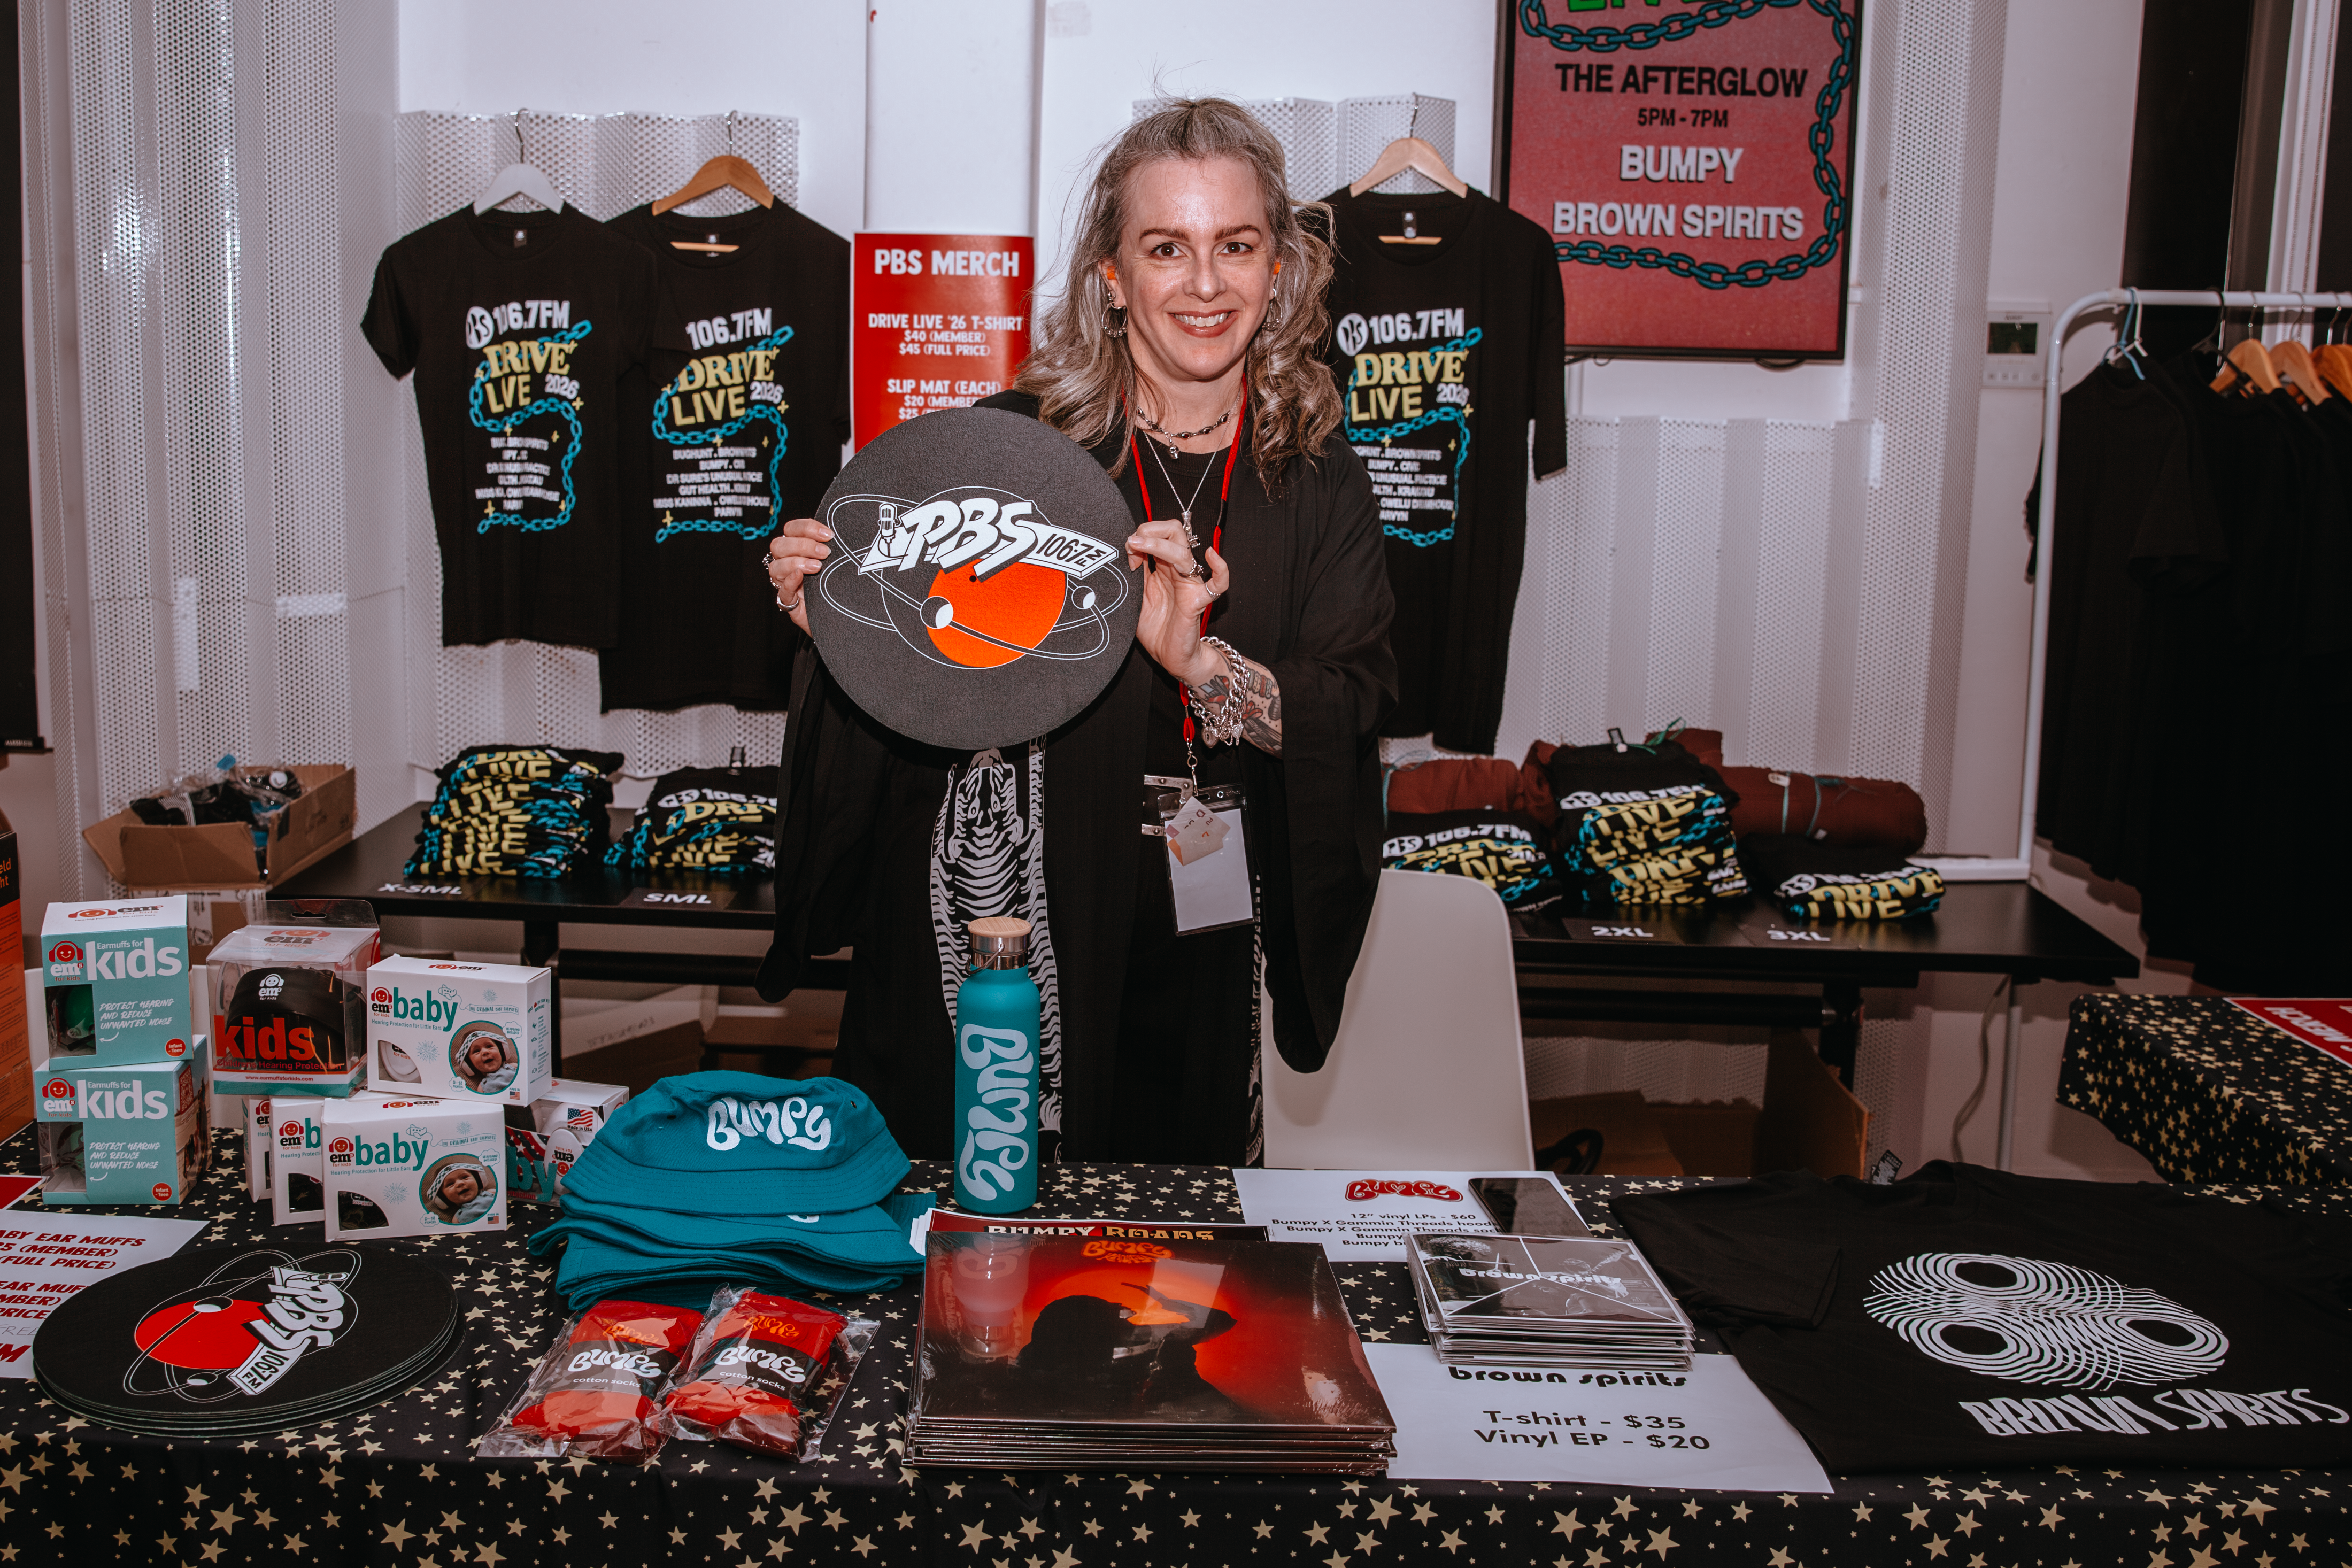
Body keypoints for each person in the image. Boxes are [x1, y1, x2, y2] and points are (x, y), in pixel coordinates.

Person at [760, 98, 1395, 1165]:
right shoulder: (1006, 454)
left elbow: (1351, 706)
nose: (1204, 284)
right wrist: (837, 626)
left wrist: (1204, 664)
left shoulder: (1320, 480)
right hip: (988, 944)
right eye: (1166, 248)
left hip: (1192, 945)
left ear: (1279, 267)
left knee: (1165, 1283)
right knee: (967, 1262)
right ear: (1112, 275)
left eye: (1235, 246)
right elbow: (906, 693)